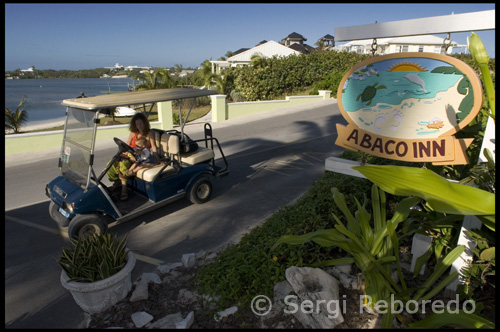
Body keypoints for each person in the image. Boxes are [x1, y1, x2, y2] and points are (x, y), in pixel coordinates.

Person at [107, 113, 160, 201]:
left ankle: (124, 190)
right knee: (111, 163)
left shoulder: (149, 133)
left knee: (123, 165)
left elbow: (153, 146)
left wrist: (157, 158)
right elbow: (128, 144)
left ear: (145, 123)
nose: (140, 126)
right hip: (131, 154)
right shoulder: (133, 133)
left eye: (141, 124)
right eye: (137, 124)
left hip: (141, 156)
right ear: (134, 124)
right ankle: (117, 183)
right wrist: (128, 154)